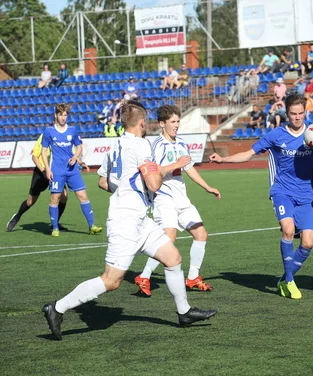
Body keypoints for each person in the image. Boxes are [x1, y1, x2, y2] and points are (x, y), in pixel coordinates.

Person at [42, 101, 217, 341]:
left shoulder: (115, 147)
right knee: (111, 281)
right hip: (125, 222)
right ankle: (57, 308)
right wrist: (172, 167)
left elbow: (103, 182)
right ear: (143, 123)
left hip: (139, 219)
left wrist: (126, 187)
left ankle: (184, 312)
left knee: (173, 258)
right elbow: (154, 184)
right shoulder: (141, 144)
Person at [209, 94, 313, 300]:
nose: (297, 118)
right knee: (287, 229)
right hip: (282, 191)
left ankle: (285, 279)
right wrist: (223, 159)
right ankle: (289, 281)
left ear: (306, 112)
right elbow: (249, 153)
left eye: (300, 113)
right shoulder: (276, 135)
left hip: (307, 195)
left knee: (308, 243)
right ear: (286, 114)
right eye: (293, 114)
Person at [134, 105, 221, 296]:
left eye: (178, 121)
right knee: (168, 240)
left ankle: (192, 277)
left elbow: (189, 168)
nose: (176, 125)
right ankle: (144, 275)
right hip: (164, 199)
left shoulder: (181, 143)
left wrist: (207, 187)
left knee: (201, 234)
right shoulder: (156, 145)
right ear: (162, 124)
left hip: (181, 198)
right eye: (172, 122)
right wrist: (177, 164)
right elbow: (153, 173)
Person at [41, 103, 102, 237]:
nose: (63, 118)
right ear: (55, 115)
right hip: (56, 170)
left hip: (72, 170)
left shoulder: (72, 130)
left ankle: (92, 226)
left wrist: (75, 157)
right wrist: (47, 169)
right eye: (61, 115)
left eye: (65, 115)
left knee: (83, 196)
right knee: (55, 198)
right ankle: (55, 228)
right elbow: (44, 150)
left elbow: (79, 146)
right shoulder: (49, 131)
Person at [6, 133, 71, 232]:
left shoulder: (64, 137)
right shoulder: (44, 136)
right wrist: (44, 171)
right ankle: (17, 217)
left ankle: (55, 223)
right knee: (30, 201)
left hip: (56, 173)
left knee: (64, 196)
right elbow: (34, 157)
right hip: (41, 172)